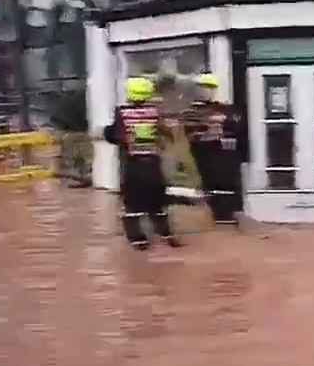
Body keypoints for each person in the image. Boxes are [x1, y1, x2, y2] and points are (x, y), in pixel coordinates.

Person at [104, 77, 181, 250]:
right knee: (157, 201)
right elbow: (167, 133)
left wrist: (107, 132)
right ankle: (167, 234)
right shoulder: (155, 112)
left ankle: (138, 239)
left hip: (133, 165)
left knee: (132, 203)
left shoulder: (122, 112)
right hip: (153, 163)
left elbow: (116, 135)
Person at [183, 73, 248, 225]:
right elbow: (192, 132)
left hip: (220, 151)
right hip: (202, 151)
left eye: (210, 88)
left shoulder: (223, 108)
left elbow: (235, 124)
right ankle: (219, 213)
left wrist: (222, 123)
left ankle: (227, 213)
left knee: (224, 181)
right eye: (203, 87)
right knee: (209, 182)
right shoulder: (191, 111)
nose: (206, 91)